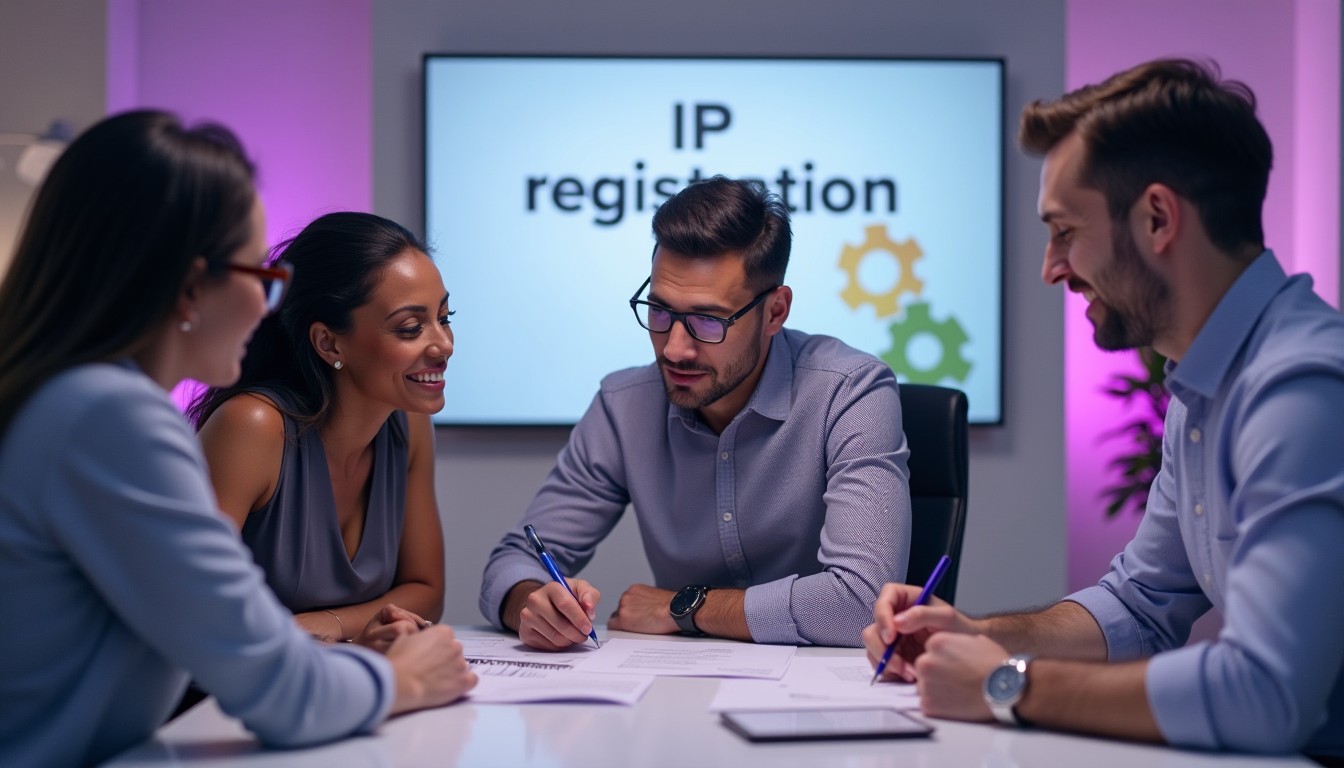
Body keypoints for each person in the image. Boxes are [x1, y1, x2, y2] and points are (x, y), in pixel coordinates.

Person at [862, 58, 1344, 760]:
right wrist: (973, 633)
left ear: (1157, 219)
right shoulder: (1203, 382)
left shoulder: (1303, 388)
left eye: (1063, 231)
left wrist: (1006, 686)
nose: (1051, 267)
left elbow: (1265, 694)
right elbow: (1140, 605)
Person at [0, 110, 476, 768]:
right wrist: (405, 678)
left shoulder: (74, 402)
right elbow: (272, 684)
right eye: (259, 275)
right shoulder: (111, 420)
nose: (268, 307)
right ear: (192, 289)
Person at [480, 176, 911, 650]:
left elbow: (860, 603)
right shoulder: (624, 404)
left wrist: (683, 607)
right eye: (660, 311)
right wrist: (534, 603)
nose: (675, 349)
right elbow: (513, 562)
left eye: (708, 320)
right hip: (678, 698)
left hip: (824, 697)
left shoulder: (850, 391)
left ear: (774, 312)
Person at [188, 212, 450, 648]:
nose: (443, 344)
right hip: (221, 704)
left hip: (334, 690)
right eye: (411, 327)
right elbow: (193, 611)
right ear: (329, 343)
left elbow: (426, 591)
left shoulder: (410, 424)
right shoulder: (252, 427)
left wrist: (333, 625)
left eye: (446, 316)